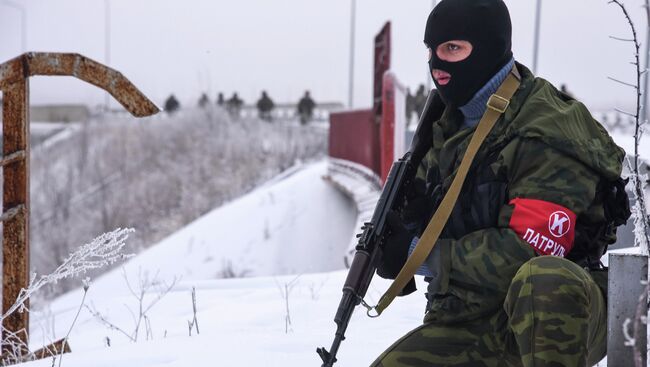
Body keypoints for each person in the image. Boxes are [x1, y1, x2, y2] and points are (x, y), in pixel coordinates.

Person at [372, 1, 629, 366]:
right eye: (432, 50)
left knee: (544, 280)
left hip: (560, 317)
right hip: (475, 315)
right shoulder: (448, 127)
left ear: (489, 47)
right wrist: (403, 233)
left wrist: (423, 255)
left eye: (453, 48)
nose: (437, 64)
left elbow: (531, 250)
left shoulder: (546, 128)